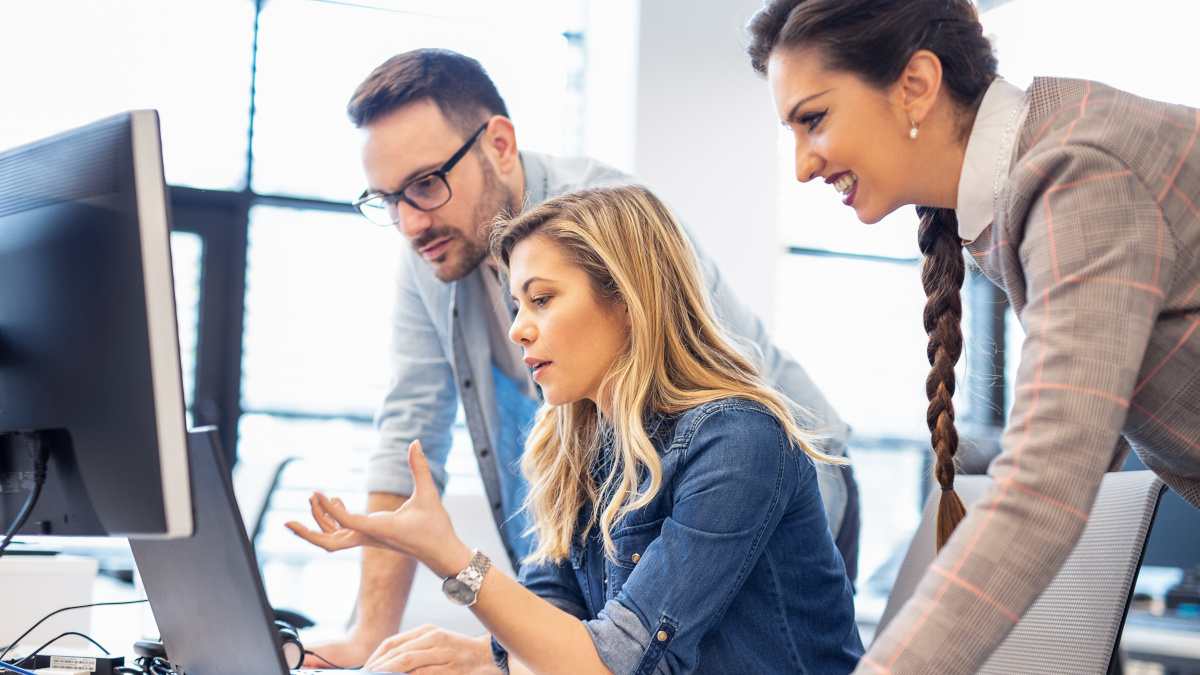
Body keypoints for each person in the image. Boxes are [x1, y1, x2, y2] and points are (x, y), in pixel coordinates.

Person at [308, 48, 861, 671]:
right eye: (387, 199)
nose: (409, 222)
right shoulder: (575, 434)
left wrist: (456, 563)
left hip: (771, 472)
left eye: (426, 184)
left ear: (498, 144)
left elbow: (702, 397)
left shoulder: (729, 429)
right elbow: (568, 624)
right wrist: (398, 648)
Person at [745, 0, 1200, 673]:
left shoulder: (1078, 175)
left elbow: (1046, 488)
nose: (803, 166)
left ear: (917, 85)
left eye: (814, 119)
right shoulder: (1028, 188)